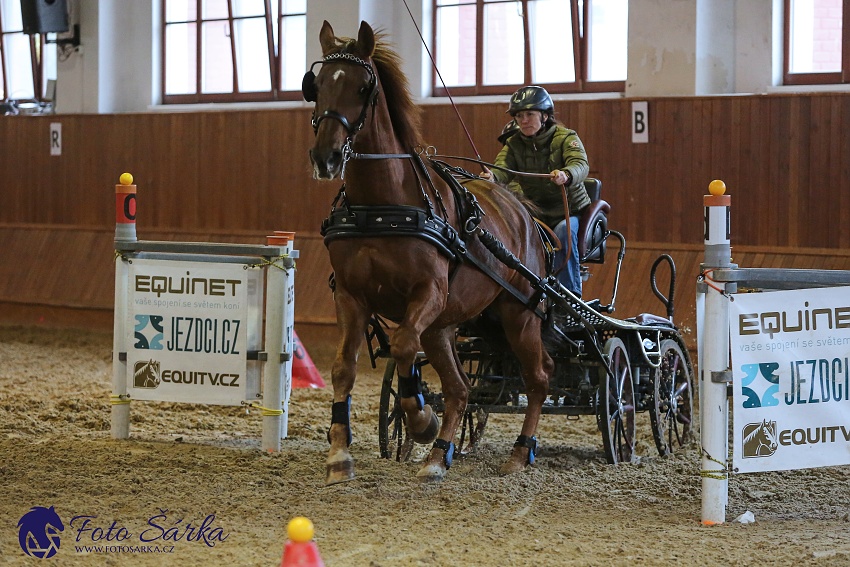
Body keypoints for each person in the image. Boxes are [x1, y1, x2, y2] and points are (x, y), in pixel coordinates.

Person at [482, 86, 590, 297]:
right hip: (537, 211)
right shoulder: (514, 143)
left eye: (529, 114)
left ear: (545, 115)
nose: (524, 120)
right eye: (519, 115)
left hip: (570, 211)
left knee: (562, 235)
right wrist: (492, 177)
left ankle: (569, 297)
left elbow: (580, 164)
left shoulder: (566, 137)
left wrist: (567, 174)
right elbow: (502, 168)